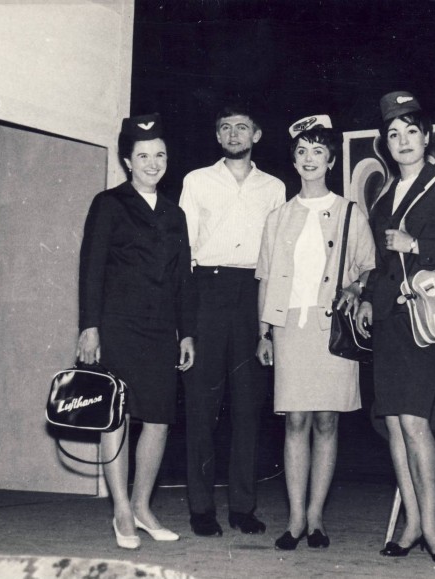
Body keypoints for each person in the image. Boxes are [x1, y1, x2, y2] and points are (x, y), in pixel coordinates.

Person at [356, 92, 435, 566]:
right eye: (393, 134)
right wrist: (366, 297)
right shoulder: (382, 196)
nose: (402, 141)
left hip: (426, 315)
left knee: (415, 421)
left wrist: (415, 244)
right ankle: (411, 523)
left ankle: (433, 526)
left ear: (426, 137)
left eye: (410, 132)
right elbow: (380, 262)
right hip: (388, 318)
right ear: (386, 144)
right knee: (394, 423)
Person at [77, 113, 197, 549]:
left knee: (160, 419)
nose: (153, 163)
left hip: (161, 329)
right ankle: (122, 511)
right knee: (118, 416)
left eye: (159, 155)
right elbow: (91, 268)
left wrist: (187, 332)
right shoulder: (109, 203)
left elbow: (183, 278)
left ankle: (143, 507)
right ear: (127, 160)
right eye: (143, 156)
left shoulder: (175, 213)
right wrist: (89, 326)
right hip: (118, 326)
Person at [256, 115, 375, 550]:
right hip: (290, 327)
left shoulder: (349, 212)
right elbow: (265, 277)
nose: (310, 159)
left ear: (331, 160)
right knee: (295, 421)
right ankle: (294, 520)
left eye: (318, 151)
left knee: (327, 421)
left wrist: (356, 288)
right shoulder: (278, 216)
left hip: (332, 328)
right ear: (294, 160)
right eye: (302, 151)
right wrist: (264, 332)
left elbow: (369, 267)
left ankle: (316, 516)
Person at [179, 104, 286, 537]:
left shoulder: (274, 187)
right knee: (201, 406)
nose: (234, 134)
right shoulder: (197, 180)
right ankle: (201, 508)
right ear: (217, 135)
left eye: (242, 127)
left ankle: (243, 507)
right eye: (226, 128)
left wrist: (269, 324)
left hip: (253, 293)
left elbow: (277, 256)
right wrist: (185, 319)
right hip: (207, 289)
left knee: (247, 406)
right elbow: (184, 250)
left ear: (256, 135)